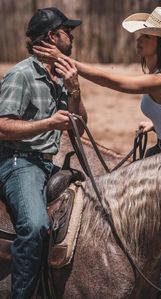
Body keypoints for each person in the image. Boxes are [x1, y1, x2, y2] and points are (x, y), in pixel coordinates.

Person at [33, 6, 161, 296]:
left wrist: (66, 61)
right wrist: (158, 123)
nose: (138, 40)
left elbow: (116, 82)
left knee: (157, 220)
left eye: (145, 36)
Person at [0, 7, 87, 299]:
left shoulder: (61, 78)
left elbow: (80, 129)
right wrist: (49, 123)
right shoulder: (21, 75)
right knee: (35, 225)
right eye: (68, 32)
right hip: (18, 162)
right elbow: (2, 126)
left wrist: (75, 89)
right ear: (52, 36)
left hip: (46, 163)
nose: (72, 37)